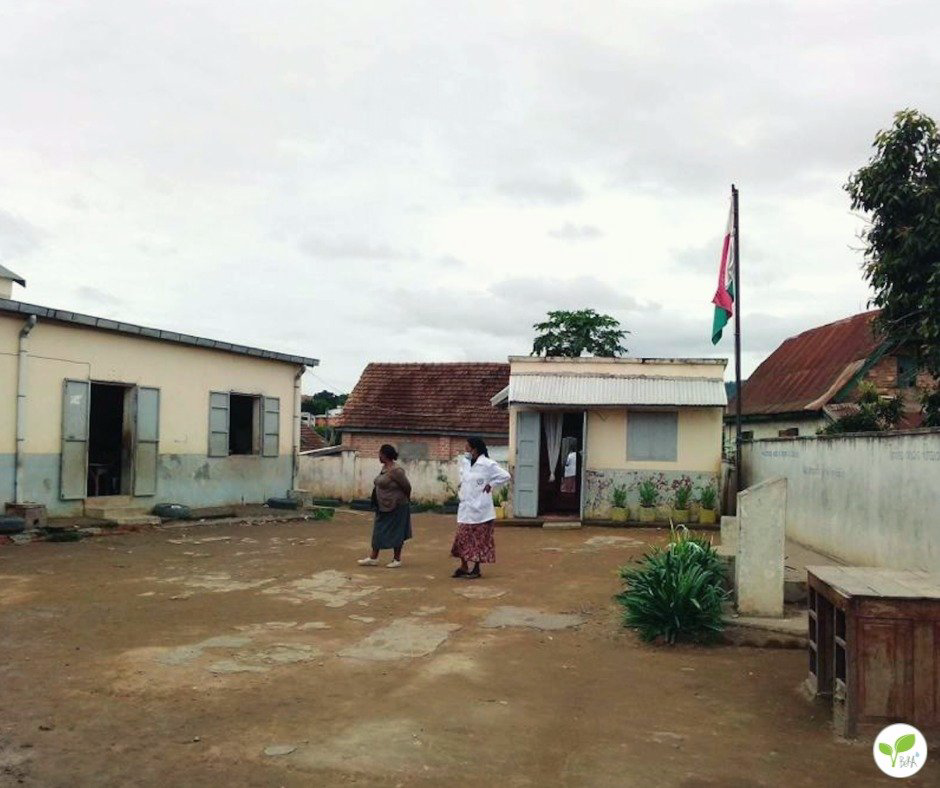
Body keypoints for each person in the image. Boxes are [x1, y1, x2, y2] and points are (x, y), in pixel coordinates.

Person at [451, 436, 511, 579]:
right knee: (462, 538)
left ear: (474, 448)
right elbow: (464, 479)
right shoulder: (465, 463)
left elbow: (505, 476)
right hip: (466, 508)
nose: (465, 448)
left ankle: (476, 569)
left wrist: (492, 484)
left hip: (481, 510)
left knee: (479, 541)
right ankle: (464, 566)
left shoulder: (487, 464)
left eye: (467, 446)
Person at [358, 444, 412, 568]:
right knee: (378, 530)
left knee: (397, 532)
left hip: (397, 506)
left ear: (385, 455)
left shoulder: (396, 471)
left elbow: (407, 487)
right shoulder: (384, 469)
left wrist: (402, 499)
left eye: (380, 454)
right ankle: (373, 557)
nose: (379, 456)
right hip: (383, 506)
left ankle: (397, 559)